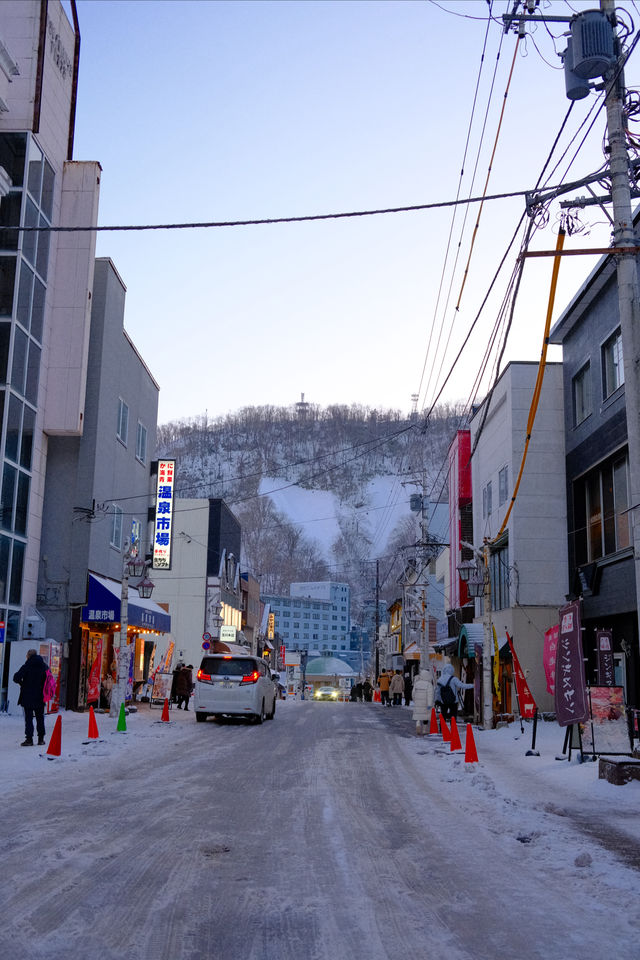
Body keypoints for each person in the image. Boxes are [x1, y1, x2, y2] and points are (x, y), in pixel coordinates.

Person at [13, 648, 47, 746]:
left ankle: (29, 739)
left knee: (28, 718)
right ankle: (41, 739)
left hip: (27, 696)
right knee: (40, 718)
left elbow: (16, 678)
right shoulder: (43, 666)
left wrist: (22, 684)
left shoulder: (26, 666)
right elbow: (48, 679)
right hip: (40, 696)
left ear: (28, 656)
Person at [412, 667, 436, 735]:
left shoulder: (417, 683)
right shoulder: (429, 685)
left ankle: (418, 723)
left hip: (418, 702)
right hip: (425, 703)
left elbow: (413, 693)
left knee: (418, 715)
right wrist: (429, 704)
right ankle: (425, 729)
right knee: (425, 716)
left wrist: (415, 700)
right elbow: (430, 695)